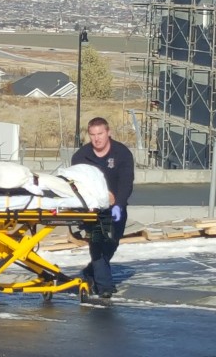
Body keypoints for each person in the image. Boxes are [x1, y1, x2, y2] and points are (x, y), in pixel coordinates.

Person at [71, 117, 134, 299]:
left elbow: (126, 182)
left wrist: (119, 204)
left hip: (115, 207)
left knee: (111, 243)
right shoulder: (81, 157)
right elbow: (77, 184)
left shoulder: (122, 153)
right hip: (93, 210)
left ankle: (91, 273)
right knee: (98, 243)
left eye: (100, 134)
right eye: (92, 135)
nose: (97, 139)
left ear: (108, 133)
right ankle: (104, 287)